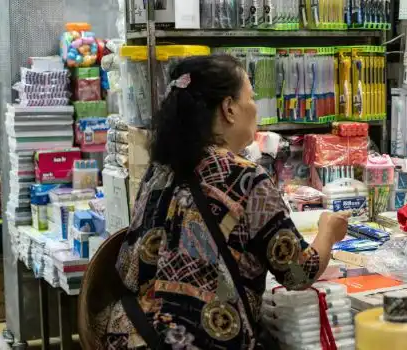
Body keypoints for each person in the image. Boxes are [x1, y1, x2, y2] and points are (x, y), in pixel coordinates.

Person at [96, 55, 350, 349]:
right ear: (229, 108)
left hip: (127, 336)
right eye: (251, 97)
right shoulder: (245, 177)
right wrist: (328, 230)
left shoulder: (160, 170)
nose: (255, 108)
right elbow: (297, 273)